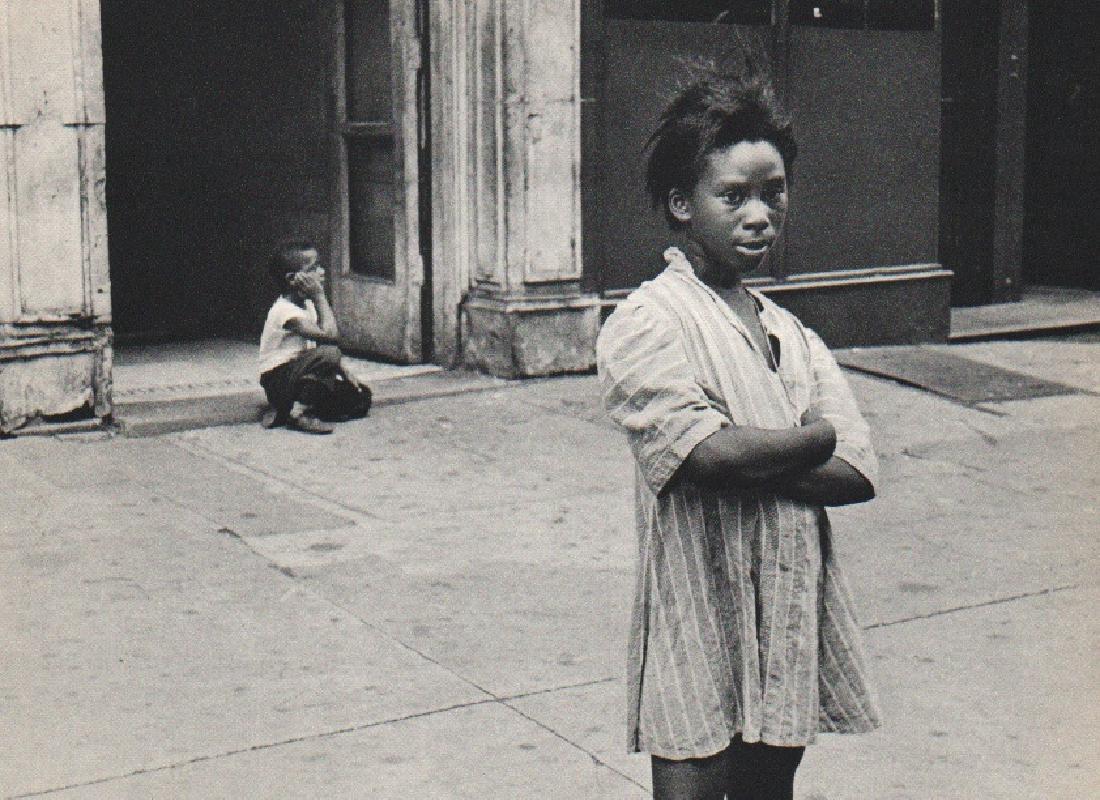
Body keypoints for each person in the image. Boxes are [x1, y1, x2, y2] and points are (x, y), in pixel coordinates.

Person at [595, 60, 881, 800]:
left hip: (786, 601)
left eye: (773, 192)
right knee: (693, 774)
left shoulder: (791, 333)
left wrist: (761, 451)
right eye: (733, 195)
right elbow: (709, 457)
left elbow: (858, 474)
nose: (759, 214)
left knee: (769, 786)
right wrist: (811, 438)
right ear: (680, 204)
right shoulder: (648, 322)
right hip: (700, 600)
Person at [258, 240, 371, 434]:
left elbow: (317, 346)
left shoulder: (307, 304)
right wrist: (320, 296)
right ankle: (298, 412)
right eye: (314, 268)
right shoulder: (284, 311)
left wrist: (343, 371)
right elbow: (330, 337)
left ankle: (291, 409)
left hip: (301, 375)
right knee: (330, 353)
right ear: (293, 279)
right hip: (278, 380)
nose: (322, 271)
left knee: (360, 396)